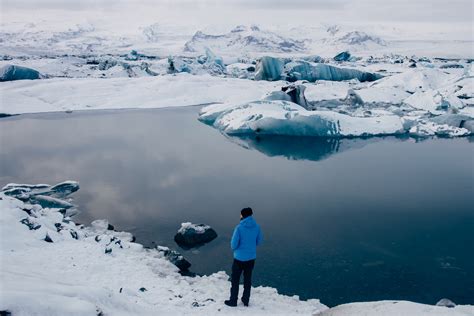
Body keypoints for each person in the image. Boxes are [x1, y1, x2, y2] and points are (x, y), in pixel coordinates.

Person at [224, 207, 263, 307]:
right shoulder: (257, 227)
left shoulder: (239, 228)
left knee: (235, 280)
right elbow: (259, 241)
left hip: (239, 259)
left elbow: (233, 245)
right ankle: (245, 300)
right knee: (247, 280)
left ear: (242, 215)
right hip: (251, 259)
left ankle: (233, 301)